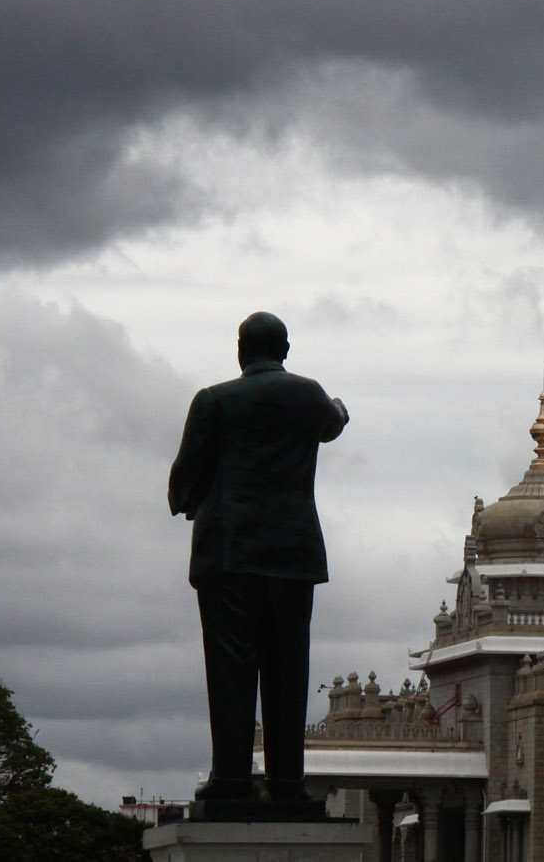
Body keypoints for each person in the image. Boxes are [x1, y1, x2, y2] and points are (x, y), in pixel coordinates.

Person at [168, 311, 348, 807]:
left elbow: (184, 476)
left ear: (241, 351)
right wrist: (338, 404)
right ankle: (288, 785)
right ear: (285, 350)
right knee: (288, 668)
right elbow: (334, 424)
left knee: (231, 668)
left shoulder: (214, 400)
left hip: (227, 554)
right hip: (292, 554)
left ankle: (230, 782)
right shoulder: (309, 395)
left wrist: (192, 502)